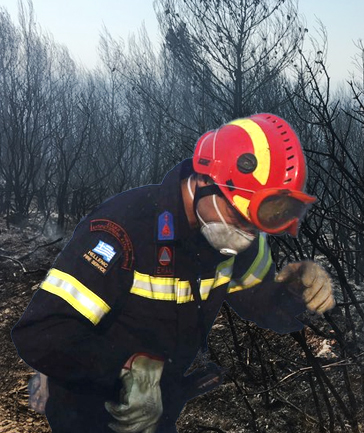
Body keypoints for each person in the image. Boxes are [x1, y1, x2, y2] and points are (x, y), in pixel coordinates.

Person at [12, 113, 335, 432]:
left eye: (259, 223)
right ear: (205, 181)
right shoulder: (124, 230)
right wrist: (125, 368)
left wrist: (296, 289)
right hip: (88, 411)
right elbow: (41, 333)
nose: (247, 235)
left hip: (159, 410)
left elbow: (264, 307)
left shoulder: (238, 237)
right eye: (239, 216)